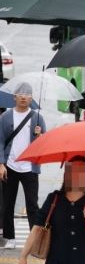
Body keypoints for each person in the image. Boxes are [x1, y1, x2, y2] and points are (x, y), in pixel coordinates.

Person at [0, 82, 45, 250]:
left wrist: (40, 135)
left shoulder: (37, 117)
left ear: (31, 98)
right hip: (10, 166)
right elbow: (1, 140)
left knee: (32, 205)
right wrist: (1, 164)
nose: (24, 97)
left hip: (30, 167)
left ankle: (34, 239)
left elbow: (45, 143)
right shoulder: (6, 117)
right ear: (15, 97)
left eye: (27, 94)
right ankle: (9, 237)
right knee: (7, 204)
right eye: (21, 94)